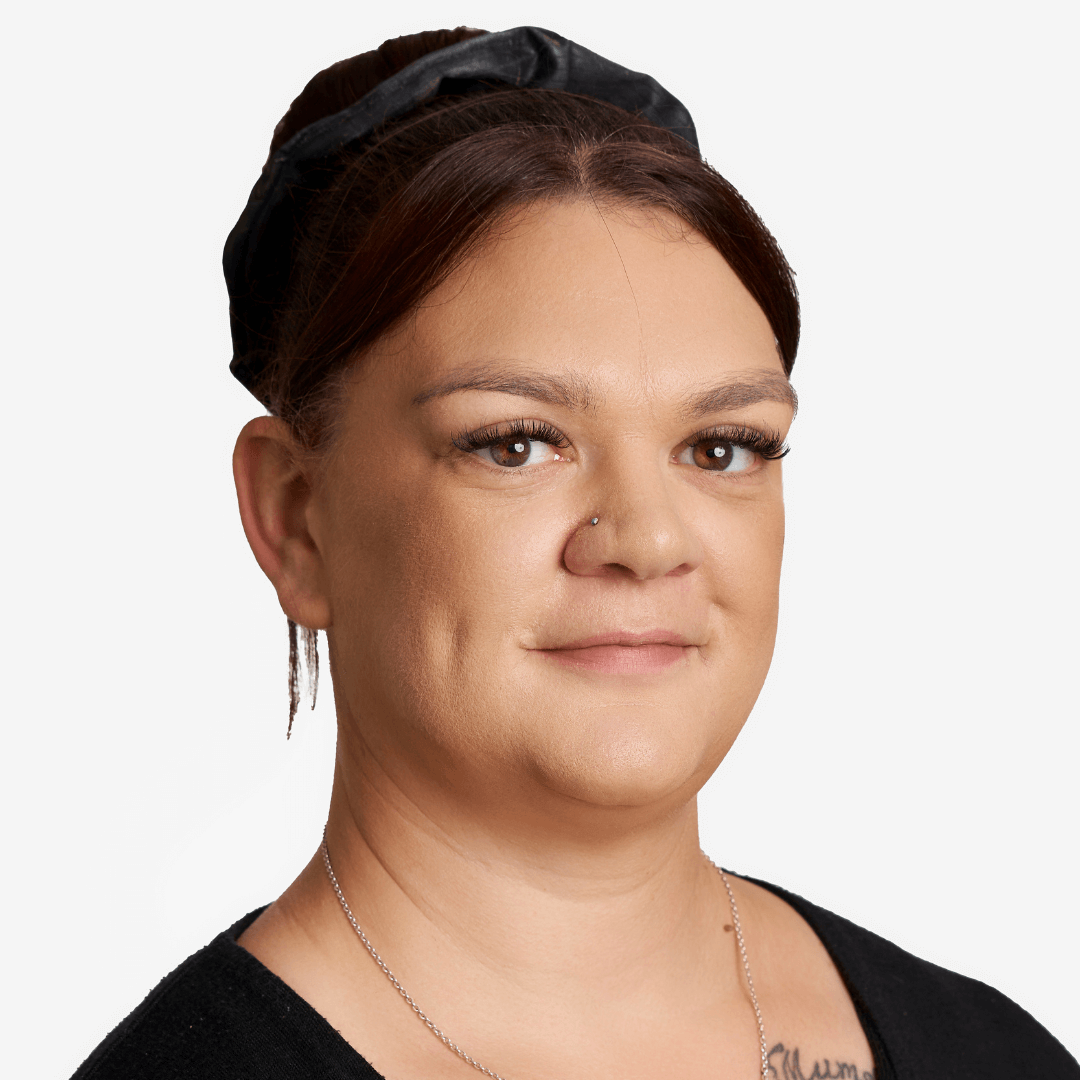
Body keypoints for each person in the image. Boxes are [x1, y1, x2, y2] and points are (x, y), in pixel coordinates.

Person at [71, 25, 1078, 1080]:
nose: (647, 540)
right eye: (516, 443)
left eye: (721, 446)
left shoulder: (995, 1056)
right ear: (296, 517)